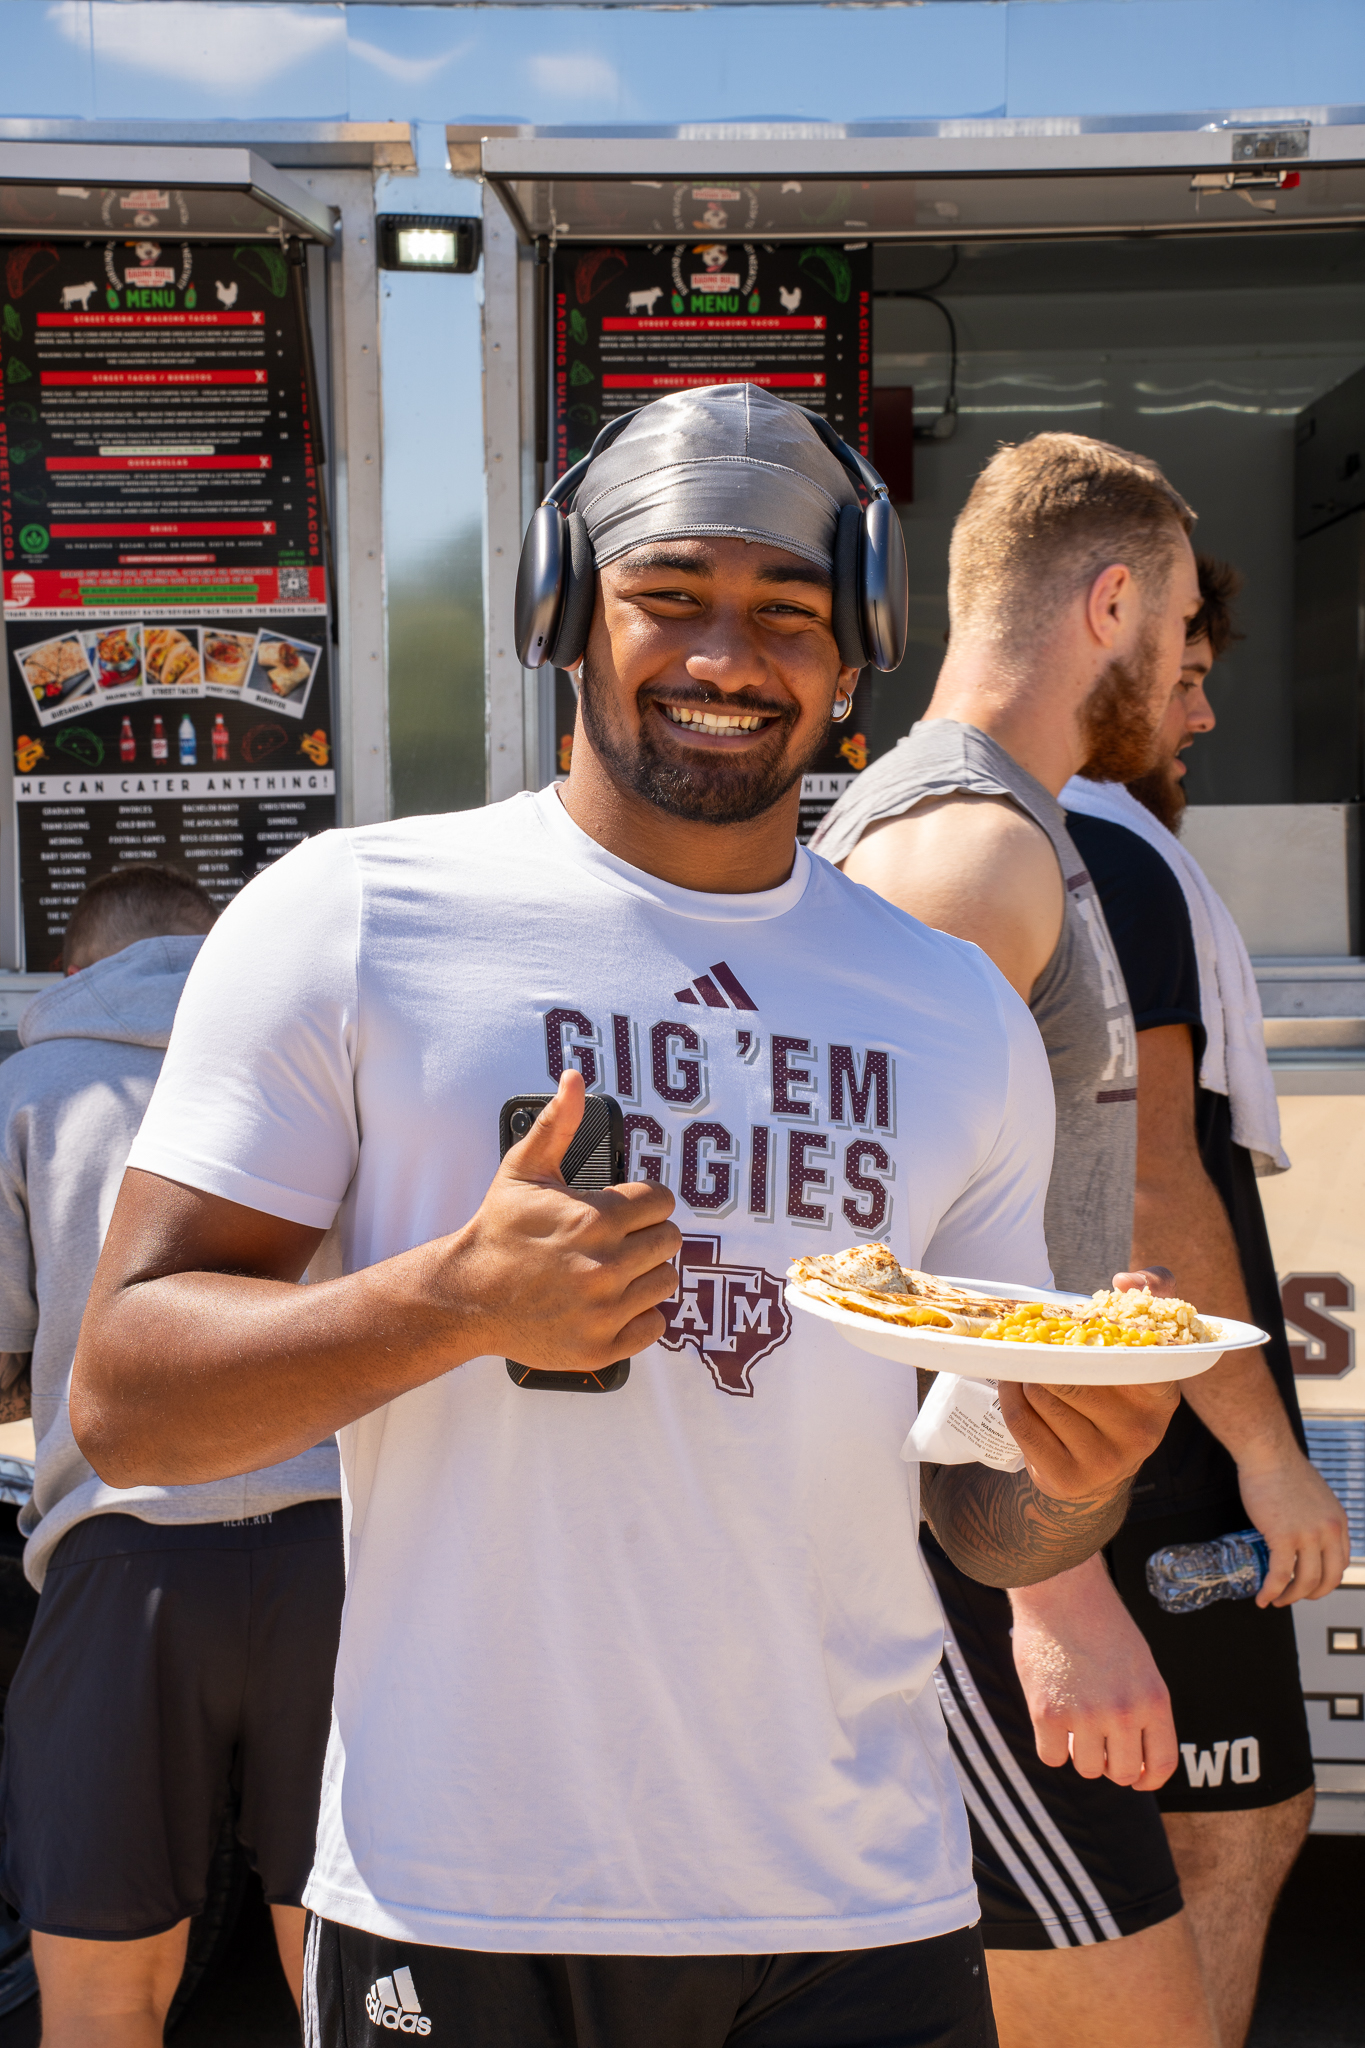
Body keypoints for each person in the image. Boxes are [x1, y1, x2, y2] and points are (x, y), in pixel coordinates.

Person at [70, 387, 1177, 2048]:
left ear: (858, 644)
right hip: (457, 1900)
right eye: (669, 596)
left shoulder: (951, 1010)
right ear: (562, 606)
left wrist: (1077, 1475)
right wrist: (443, 1301)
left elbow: (983, 1506)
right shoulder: (352, 918)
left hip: (860, 1906)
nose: (727, 653)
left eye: (789, 611)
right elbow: (126, 1395)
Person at [814, 434, 1219, 2048]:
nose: (1191, 678)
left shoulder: (1004, 830)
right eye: (1179, 632)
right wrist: (1052, 1591)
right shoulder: (967, 849)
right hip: (962, 1556)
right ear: (1109, 601)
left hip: (998, 1528)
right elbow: (872, 1238)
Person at [1060, 556, 1348, 2048]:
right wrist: (1264, 1451)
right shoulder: (1098, 855)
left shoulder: (1035, 838)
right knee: (1226, 1822)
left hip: (1108, 1423)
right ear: (1106, 649)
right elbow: (1156, 1179)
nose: (1206, 713)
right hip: (1155, 1436)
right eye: (1182, 675)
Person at [0, 863, 344, 2048]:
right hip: (340, 1554)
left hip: (120, 1557)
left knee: (100, 2004)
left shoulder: (33, 1085)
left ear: (74, 970)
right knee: (360, 1990)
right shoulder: (326, 1071)